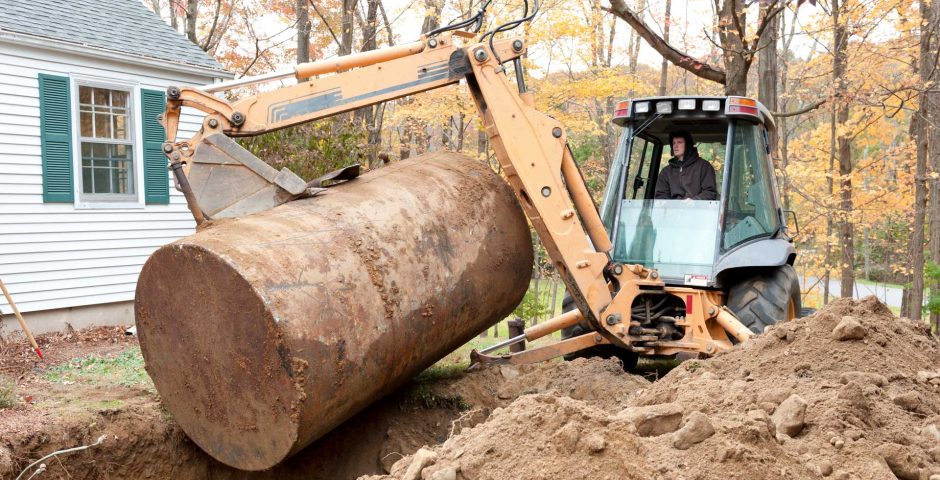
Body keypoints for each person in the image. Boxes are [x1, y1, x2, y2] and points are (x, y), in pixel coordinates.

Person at [654, 130, 718, 200]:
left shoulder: (704, 167)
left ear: (688, 145)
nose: (675, 146)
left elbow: (710, 193)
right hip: (672, 207)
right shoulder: (666, 172)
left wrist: (694, 201)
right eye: (674, 143)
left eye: (679, 142)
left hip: (697, 206)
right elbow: (661, 196)